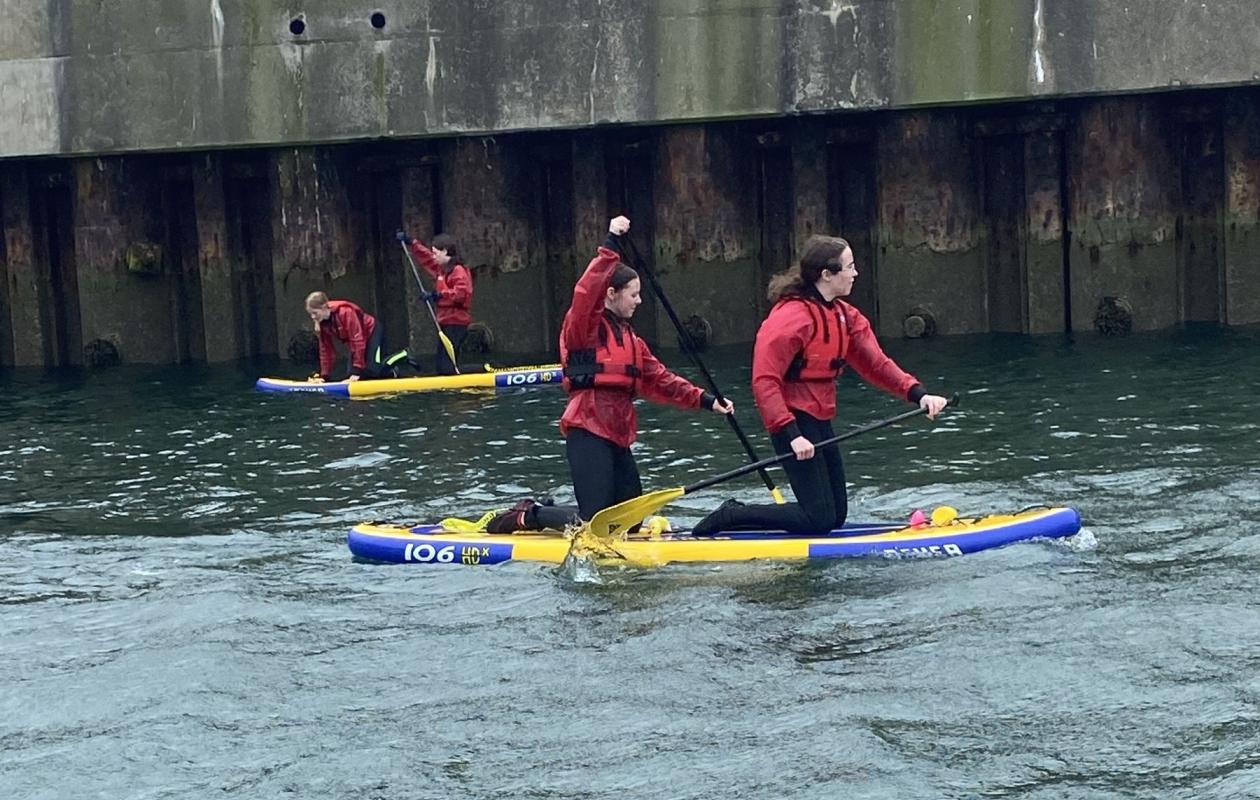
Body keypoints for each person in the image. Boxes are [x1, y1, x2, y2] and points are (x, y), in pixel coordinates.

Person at [690, 235, 949, 536]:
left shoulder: (845, 316)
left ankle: (759, 517)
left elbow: (876, 364)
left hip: (820, 417)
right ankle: (731, 516)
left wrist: (918, 394)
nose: (856, 273)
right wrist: (791, 435)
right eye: (849, 267)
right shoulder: (791, 318)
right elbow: (765, 381)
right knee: (818, 519)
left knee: (835, 516)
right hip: (792, 422)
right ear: (827, 275)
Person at [559, 215, 735, 522]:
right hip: (587, 427)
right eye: (633, 294)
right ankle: (531, 515)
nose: (639, 301)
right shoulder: (584, 329)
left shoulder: (632, 340)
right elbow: (587, 292)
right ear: (612, 294)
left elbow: (663, 381)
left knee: (631, 520)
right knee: (596, 519)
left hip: (619, 431)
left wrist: (708, 401)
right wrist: (611, 243)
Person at [396, 230, 474, 375]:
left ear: (445, 252)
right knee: (442, 366)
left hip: (457, 323)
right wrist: (411, 241)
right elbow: (426, 257)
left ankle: (484, 369)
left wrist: (437, 295)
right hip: (446, 322)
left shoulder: (458, 271)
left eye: (436, 252)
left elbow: (462, 293)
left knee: (447, 368)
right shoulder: (442, 268)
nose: (434, 256)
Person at [304, 291, 407, 382]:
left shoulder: (345, 313)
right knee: (353, 374)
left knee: (372, 370)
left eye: (315, 313)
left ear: (323, 308)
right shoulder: (321, 323)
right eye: (310, 314)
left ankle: (402, 355)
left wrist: (357, 371)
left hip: (371, 331)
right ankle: (390, 374)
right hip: (357, 340)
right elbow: (325, 349)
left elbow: (357, 340)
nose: (313, 317)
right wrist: (324, 375)